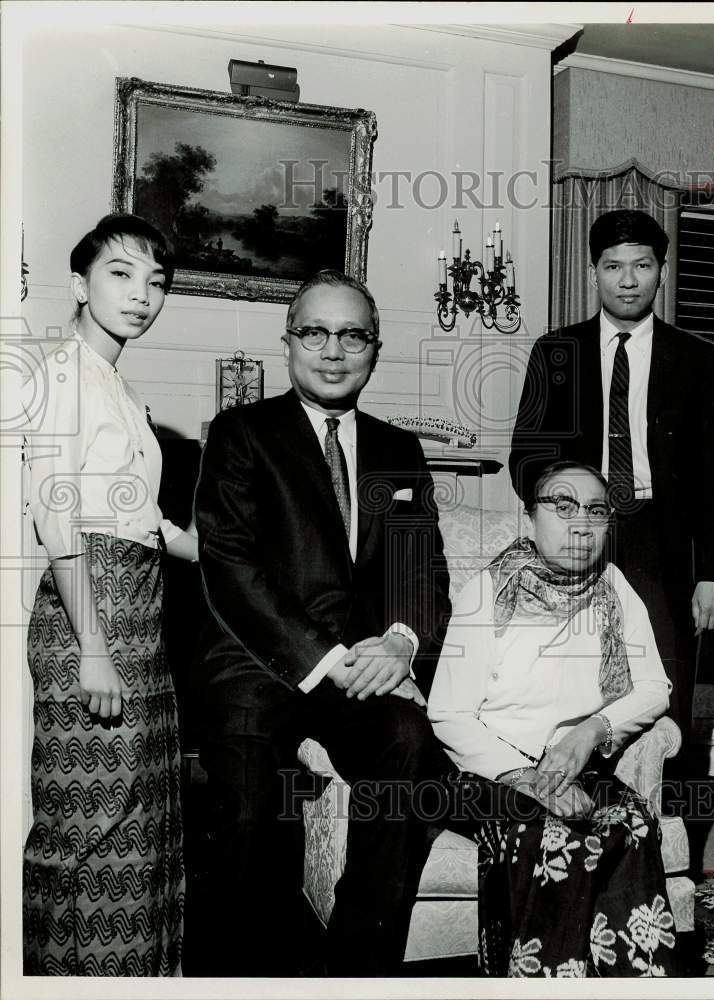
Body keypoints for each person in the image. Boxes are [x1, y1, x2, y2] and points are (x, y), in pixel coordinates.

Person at [193, 269, 451, 976]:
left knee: (404, 738)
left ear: (374, 348)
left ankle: (356, 969)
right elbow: (230, 569)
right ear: (289, 343)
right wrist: (326, 657)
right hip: (257, 663)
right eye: (315, 332)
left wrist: (401, 643)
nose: (332, 351)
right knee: (246, 815)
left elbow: (421, 572)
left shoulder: (400, 450)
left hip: (359, 673)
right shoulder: (241, 433)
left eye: (351, 335)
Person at [22, 215, 198, 976]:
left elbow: (127, 509)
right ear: (79, 284)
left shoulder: (117, 383)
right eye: (121, 275)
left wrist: (181, 540)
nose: (141, 295)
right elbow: (56, 510)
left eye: (155, 282)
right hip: (88, 615)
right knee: (89, 836)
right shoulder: (62, 369)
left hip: (139, 607)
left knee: (140, 830)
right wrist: (92, 645)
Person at [428, 461, 683, 977]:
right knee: (554, 835)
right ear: (530, 519)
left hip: (578, 762)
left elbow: (656, 688)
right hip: (491, 772)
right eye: (562, 508)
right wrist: (529, 779)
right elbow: (449, 713)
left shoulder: (615, 587)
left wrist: (592, 731)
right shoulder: (487, 592)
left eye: (595, 511)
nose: (581, 525)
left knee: (631, 822)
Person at [509, 210, 714, 748]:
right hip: (578, 533)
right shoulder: (556, 351)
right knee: (574, 682)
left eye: (642, 265)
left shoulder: (699, 360)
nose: (628, 280)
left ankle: (664, 820)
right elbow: (525, 457)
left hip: (665, 541)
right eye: (614, 266)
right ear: (594, 272)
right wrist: (566, 508)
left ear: (662, 270)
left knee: (665, 688)